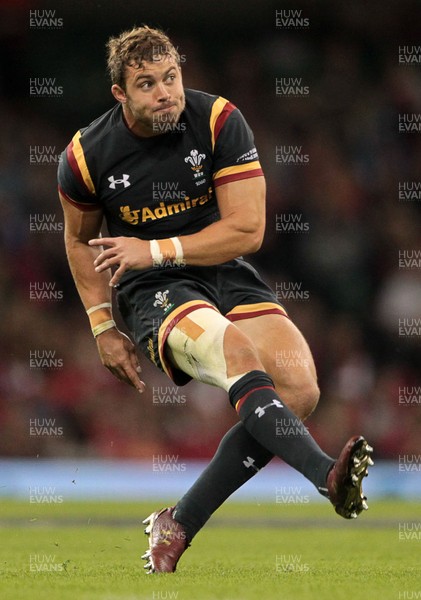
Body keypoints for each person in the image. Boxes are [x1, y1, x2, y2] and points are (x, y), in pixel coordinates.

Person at [58, 25, 373, 574]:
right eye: (148, 84)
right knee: (238, 357)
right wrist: (102, 325)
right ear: (120, 94)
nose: (166, 93)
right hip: (151, 289)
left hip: (222, 267)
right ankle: (327, 476)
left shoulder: (219, 121)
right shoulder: (86, 157)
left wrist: (155, 247)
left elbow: (248, 230)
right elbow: (80, 240)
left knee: (299, 389)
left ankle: (177, 521)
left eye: (172, 77)